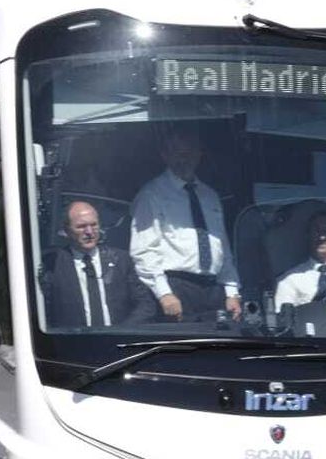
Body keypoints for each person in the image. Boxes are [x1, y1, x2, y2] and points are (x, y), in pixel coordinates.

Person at [129, 131, 241, 322]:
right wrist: (164, 293)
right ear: (165, 155)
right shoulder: (152, 194)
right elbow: (144, 251)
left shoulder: (210, 196)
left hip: (214, 290)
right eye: (177, 152)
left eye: (189, 151)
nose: (184, 158)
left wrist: (232, 291)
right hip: (177, 289)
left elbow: (222, 248)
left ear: (199, 154)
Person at [41, 200, 158, 328]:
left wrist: (121, 331)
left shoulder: (121, 260)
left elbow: (145, 305)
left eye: (94, 225)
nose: (89, 232)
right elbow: (44, 311)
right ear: (67, 230)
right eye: (81, 226)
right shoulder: (53, 264)